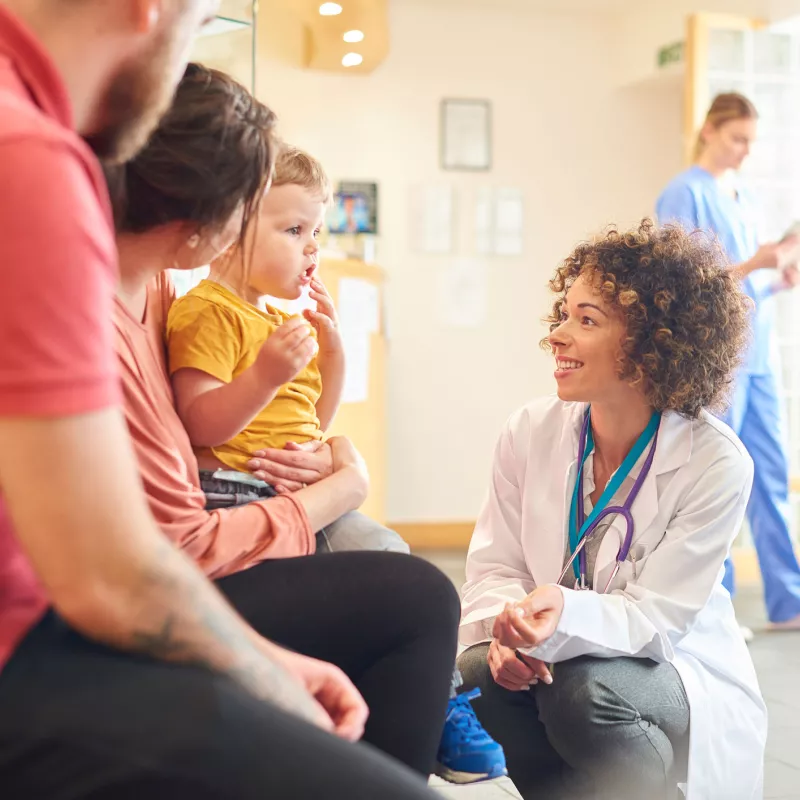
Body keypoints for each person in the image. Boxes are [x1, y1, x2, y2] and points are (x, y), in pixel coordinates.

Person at [0, 3, 456, 797]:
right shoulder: (34, 165)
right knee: (404, 586)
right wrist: (331, 496)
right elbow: (132, 564)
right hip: (48, 639)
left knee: (396, 573)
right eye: (260, 217)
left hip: (87, 601)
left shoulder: (154, 286)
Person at [155, 130, 504, 782]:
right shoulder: (209, 312)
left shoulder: (275, 320)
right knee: (388, 555)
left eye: (316, 230)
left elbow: (313, 420)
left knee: (383, 556)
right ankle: (442, 708)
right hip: (241, 492)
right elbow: (199, 419)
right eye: (294, 229)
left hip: (293, 490)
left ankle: (423, 712)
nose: (312, 246)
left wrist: (334, 352)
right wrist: (261, 376)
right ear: (233, 231)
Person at [457, 221, 767, 800]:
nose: (557, 335)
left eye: (587, 320)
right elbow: (495, 568)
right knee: (482, 676)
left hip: (676, 667)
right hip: (562, 656)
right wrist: (508, 629)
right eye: (563, 314)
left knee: (585, 691)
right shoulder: (529, 431)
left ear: (653, 344)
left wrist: (561, 616)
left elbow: (658, 619)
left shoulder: (716, 462)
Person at [656, 92, 800, 634]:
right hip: (720, 362)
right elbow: (680, 282)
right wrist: (752, 263)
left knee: (771, 476)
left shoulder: (743, 196)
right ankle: (712, 610)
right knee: (717, 477)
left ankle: (788, 600)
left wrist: (776, 277)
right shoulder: (683, 193)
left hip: (758, 357)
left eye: (750, 142)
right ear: (711, 130)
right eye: (738, 138)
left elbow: (745, 285)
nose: (744, 151)